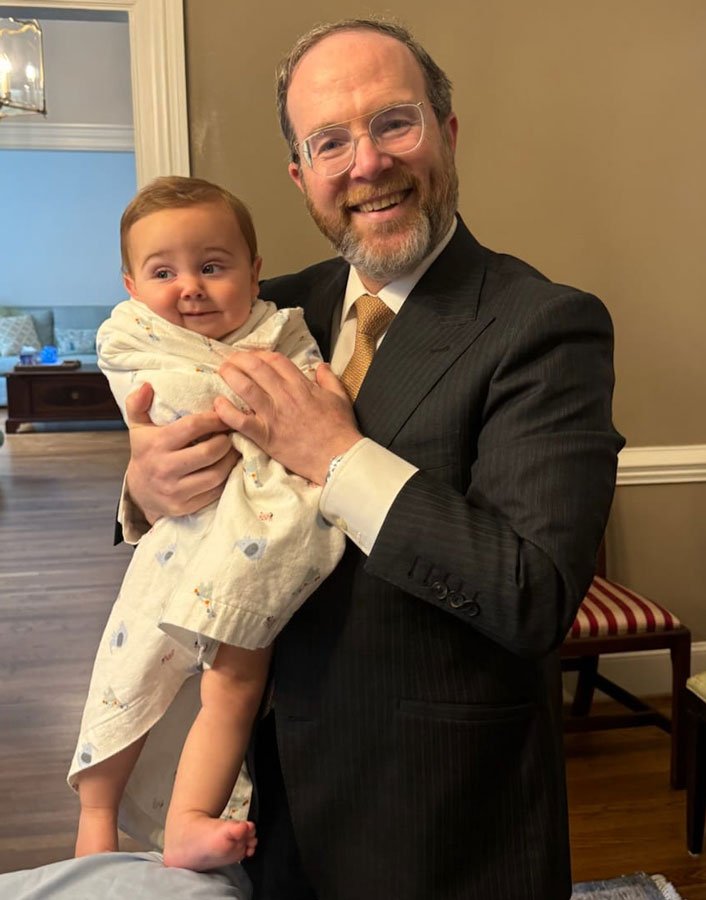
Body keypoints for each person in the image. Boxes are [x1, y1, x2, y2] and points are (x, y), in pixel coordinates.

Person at [0, 16, 624, 900]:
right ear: (301, 175)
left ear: (446, 134)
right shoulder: (263, 308)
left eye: (393, 123)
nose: (366, 163)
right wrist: (143, 486)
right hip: (259, 797)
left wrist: (338, 457)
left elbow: (533, 595)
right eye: (330, 141)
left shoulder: (545, 326)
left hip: (437, 815)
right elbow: (168, 465)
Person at [68, 176, 344, 872]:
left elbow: (320, 414)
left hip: (259, 548)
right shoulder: (132, 337)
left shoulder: (285, 328)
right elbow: (170, 407)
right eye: (164, 273)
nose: (189, 287)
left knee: (234, 684)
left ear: (254, 274)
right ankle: (95, 823)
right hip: (176, 550)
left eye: (212, 267)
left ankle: (193, 813)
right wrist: (141, 476)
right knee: (127, 678)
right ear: (131, 285)